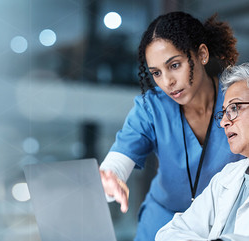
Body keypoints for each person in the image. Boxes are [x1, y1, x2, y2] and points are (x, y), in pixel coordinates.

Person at [99, 11, 244, 240]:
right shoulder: (152, 108)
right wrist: (110, 177)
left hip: (223, 223)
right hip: (161, 222)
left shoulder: (238, 102)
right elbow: (119, 159)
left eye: (174, 65)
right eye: (156, 73)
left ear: (202, 54)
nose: (167, 82)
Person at [155, 62, 249, 241]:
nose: (224, 122)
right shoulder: (226, 178)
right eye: (223, 113)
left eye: (235, 108)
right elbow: (168, 234)